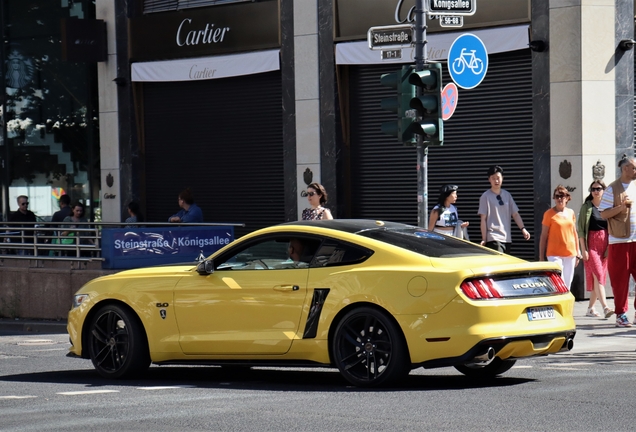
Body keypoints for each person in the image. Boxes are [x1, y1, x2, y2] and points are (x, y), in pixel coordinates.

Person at [599, 154, 636, 327]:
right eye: (634, 167)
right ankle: (621, 314)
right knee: (620, 280)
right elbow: (603, 214)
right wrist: (621, 207)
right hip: (620, 241)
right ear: (625, 169)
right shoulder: (612, 189)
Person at [578, 180, 613, 319]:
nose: (596, 191)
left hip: (604, 245)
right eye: (593, 189)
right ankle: (605, 307)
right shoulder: (586, 207)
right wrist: (583, 249)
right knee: (598, 275)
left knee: (599, 279)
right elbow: (580, 230)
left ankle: (590, 308)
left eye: (598, 188)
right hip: (591, 244)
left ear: (603, 190)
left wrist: (610, 246)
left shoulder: (607, 207)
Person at [478, 165, 530, 254]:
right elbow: (483, 219)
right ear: (489, 180)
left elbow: (515, 214)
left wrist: (523, 229)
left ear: (503, 178)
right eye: (493, 178)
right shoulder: (485, 196)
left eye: (498, 178)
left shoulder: (507, 195)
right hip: (493, 238)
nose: (496, 181)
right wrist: (484, 238)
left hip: (507, 238)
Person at [539, 185, 581, 290]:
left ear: (567, 198)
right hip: (554, 254)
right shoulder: (548, 214)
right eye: (557, 196)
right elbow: (543, 236)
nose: (559, 199)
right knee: (558, 282)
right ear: (554, 198)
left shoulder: (571, 212)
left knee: (567, 284)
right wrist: (541, 257)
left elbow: (574, 232)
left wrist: (578, 252)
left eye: (562, 196)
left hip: (570, 253)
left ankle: (566, 306)